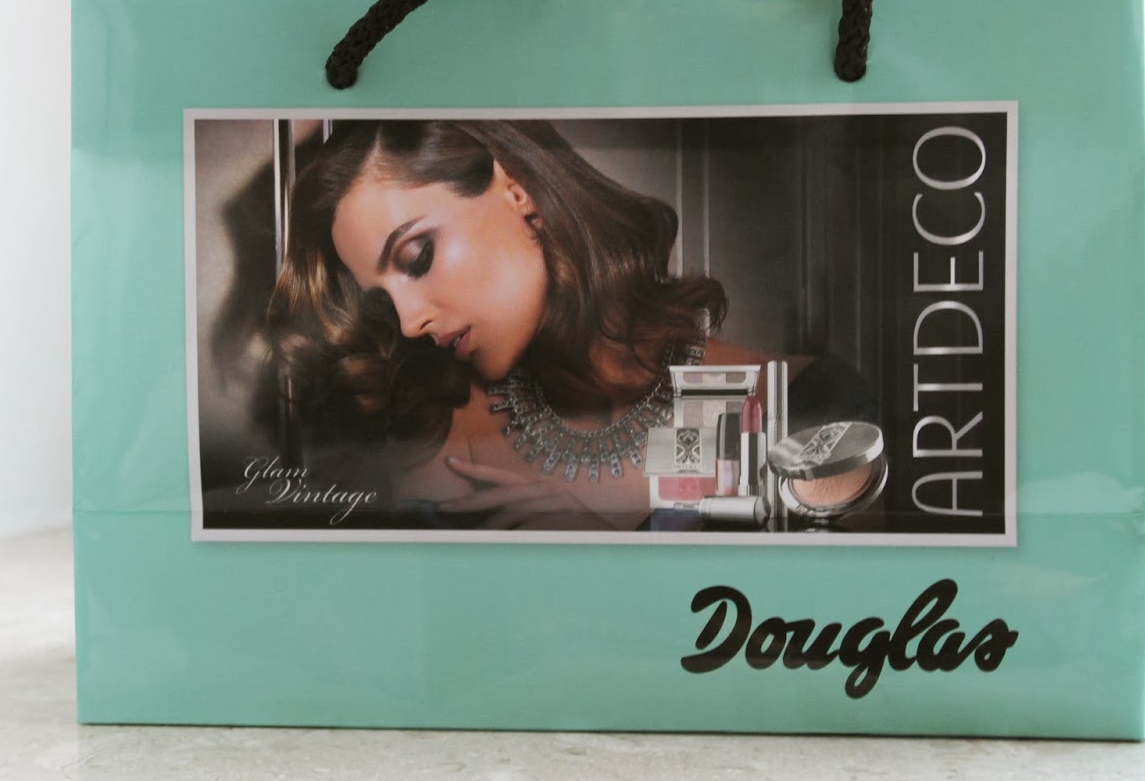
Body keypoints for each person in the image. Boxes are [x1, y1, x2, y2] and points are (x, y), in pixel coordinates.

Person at [267, 119, 807, 531]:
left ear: (517, 187)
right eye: (384, 300)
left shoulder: (790, 401)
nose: (409, 323)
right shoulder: (444, 435)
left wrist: (607, 561)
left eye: (417, 256)